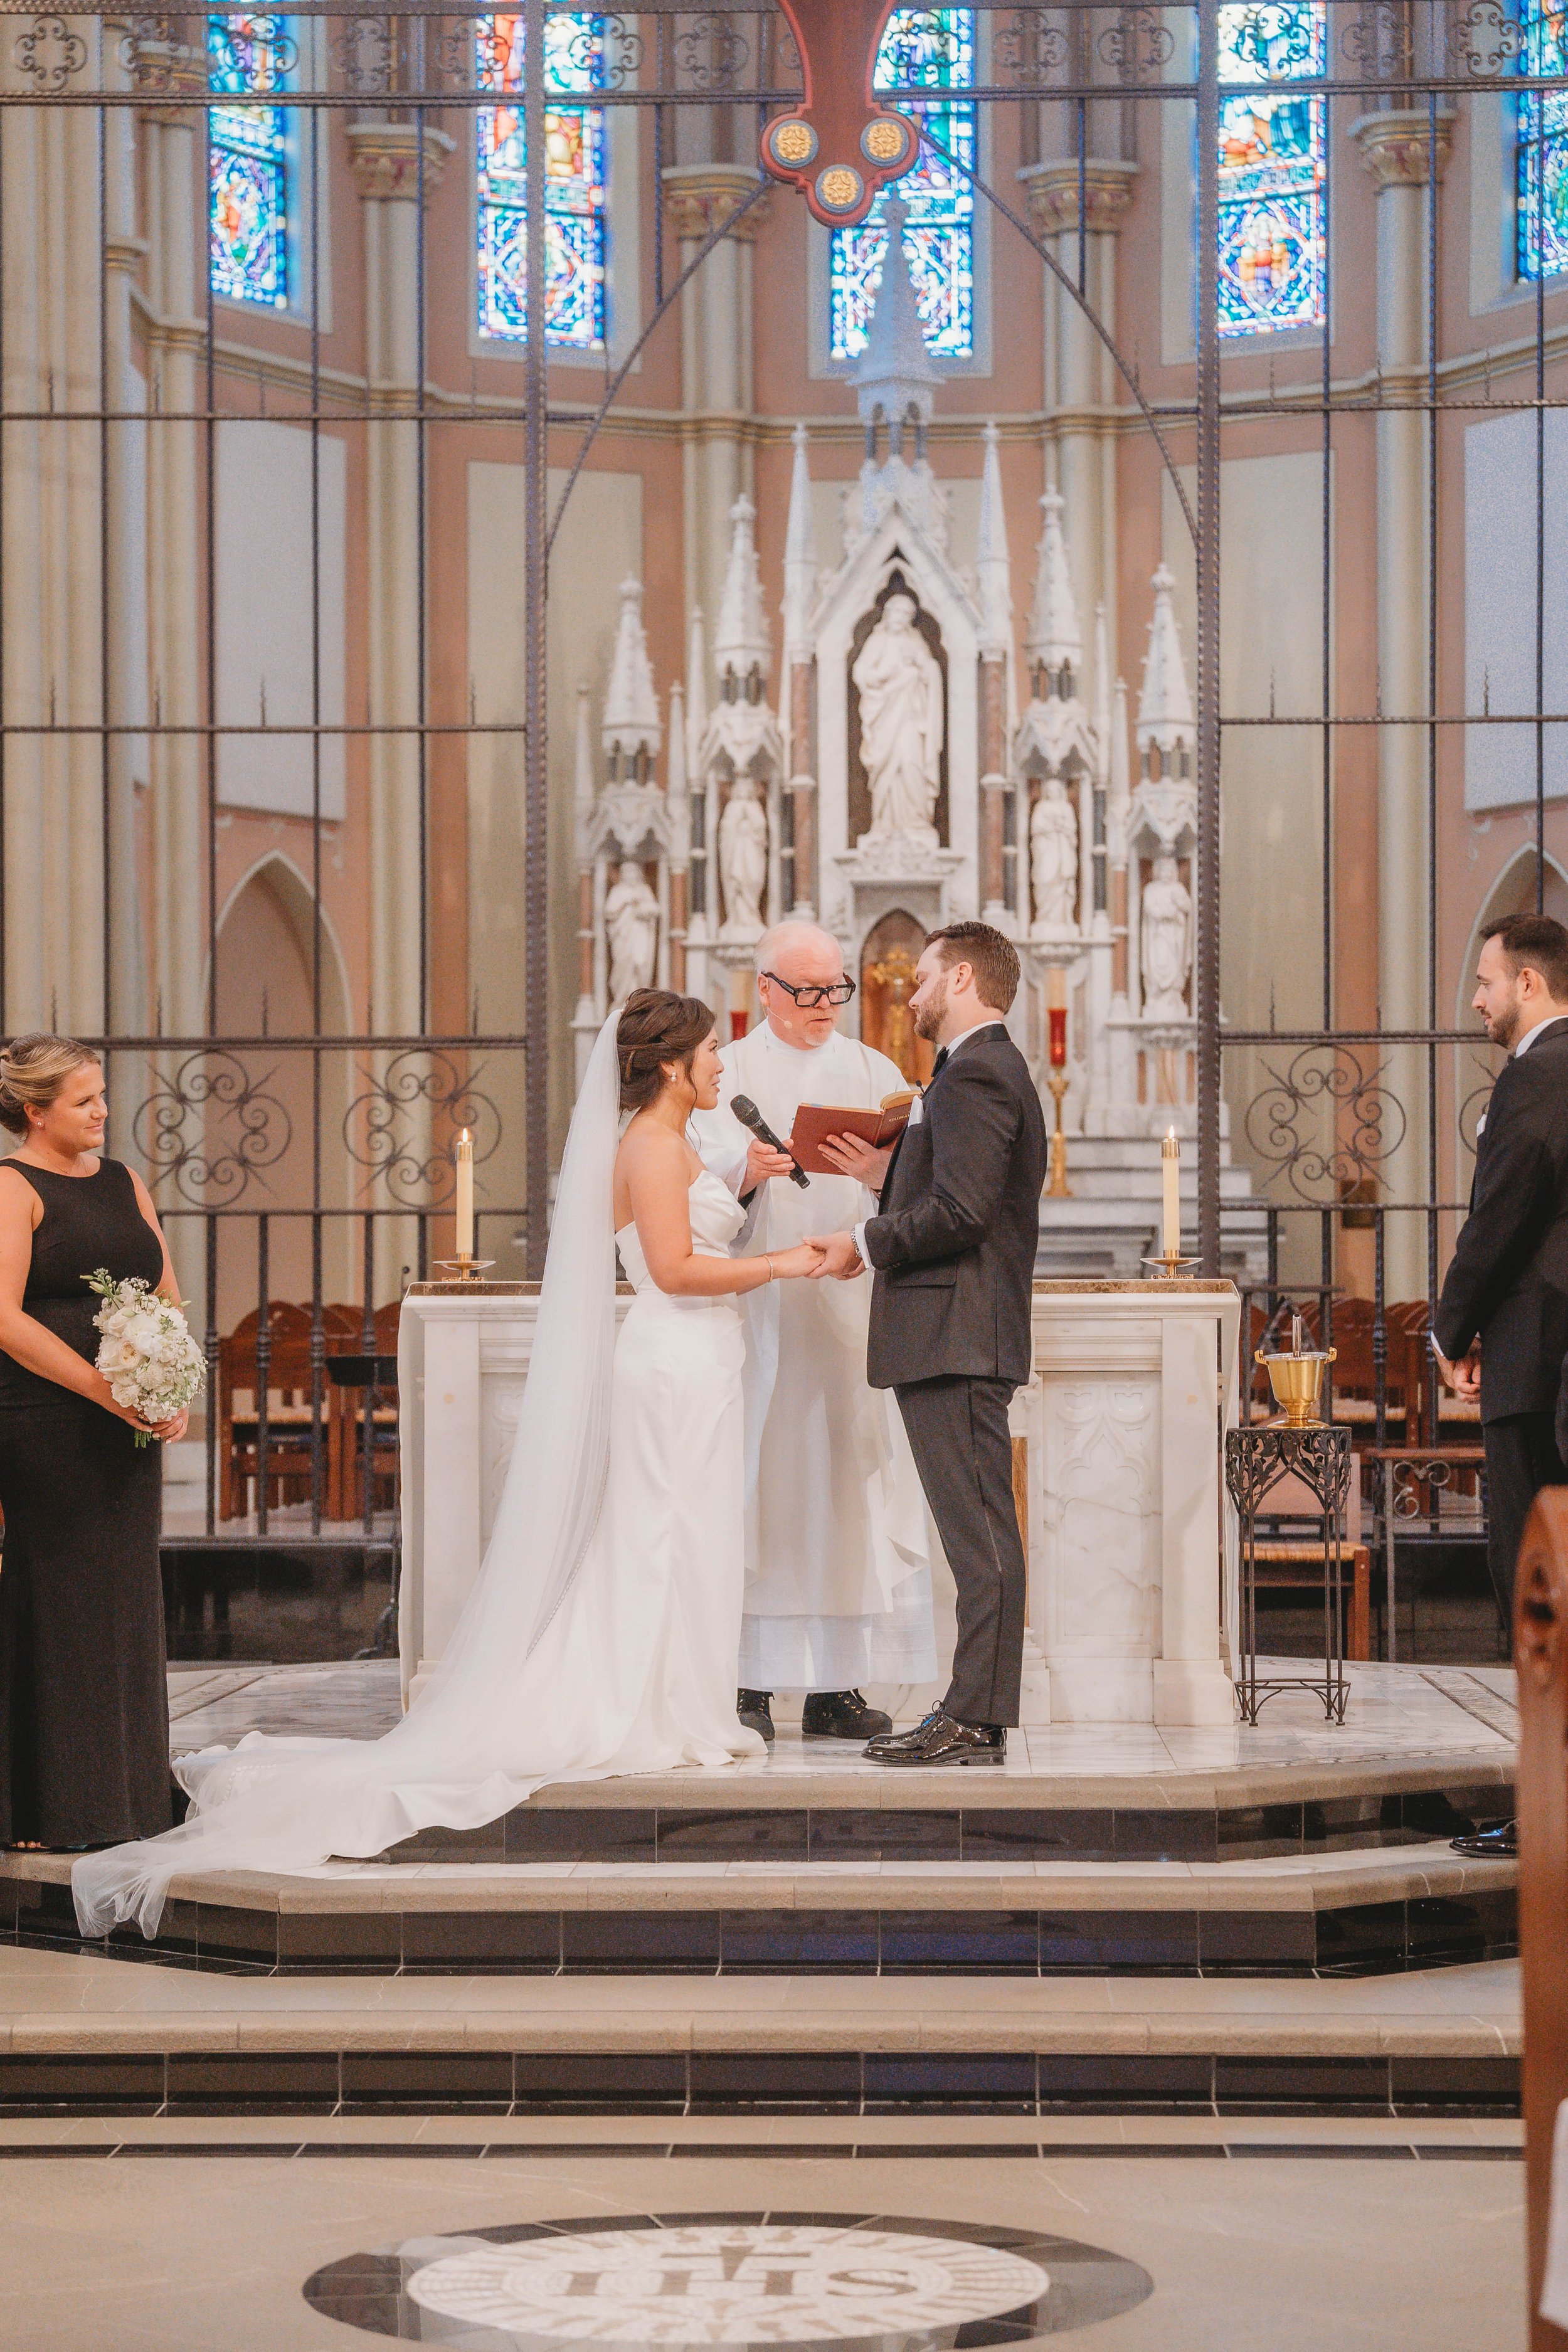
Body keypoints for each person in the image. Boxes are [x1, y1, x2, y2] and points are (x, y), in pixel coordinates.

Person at [72, 992, 824, 1938]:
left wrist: (747, 1199)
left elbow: (691, 1236)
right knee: (661, 1534)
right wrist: (790, 1261)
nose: (726, 1064)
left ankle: (684, 1702)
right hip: (675, 1363)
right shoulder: (649, 1145)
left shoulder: (674, 1141)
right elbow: (671, 1270)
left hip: (697, 1363)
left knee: (689, 1534)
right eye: (715, 1050)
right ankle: (658, 1709)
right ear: (672, 1064)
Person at [691, 922, 936, 1744]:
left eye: (835, 988)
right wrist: (743, 1174)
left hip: (850, 1313)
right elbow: (690, 1203)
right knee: (766, 1490)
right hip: (761, 1316)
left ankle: (836, 1686)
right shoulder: (726, 1077)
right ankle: (752, 1681)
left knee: (845, 1490)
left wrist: (885, 1175)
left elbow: (919, 1188)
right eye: (805, 990)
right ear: (764, 988)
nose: (825, 1004)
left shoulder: (874, 1072)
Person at [810, 921, 1048, 1766]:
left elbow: (963, 1214)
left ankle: (975, 1716)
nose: (907, 993)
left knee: (980, 1537)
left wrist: (864, 1242)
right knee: (973, 1533)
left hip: (959, 1335)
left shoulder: (977, 1073)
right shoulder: (971, 1074)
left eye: (924, 977)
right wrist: (887, 1179)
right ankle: (974, 1710)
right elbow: (955, 1192)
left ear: (964, 981)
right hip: (956, 1333)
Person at [0, 1036, 188, 1850]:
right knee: (63, 1601)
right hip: (48, 1424)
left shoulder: (125, 1182)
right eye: (85, 1100)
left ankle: (131, 1795)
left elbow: (168, 1295)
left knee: (126, 1601)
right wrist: (101, 1387)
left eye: (103, 1095)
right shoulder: (12, 1188)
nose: (104, 1111)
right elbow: (3, 1317)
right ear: (35, 1111)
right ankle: (53, 1805)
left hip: (127, 1430)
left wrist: (173, 1387)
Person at [1433, 913, 1568, 1860]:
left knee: (1536, 1596)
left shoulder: (1538, 1073)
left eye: (1486, 982)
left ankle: (1547, 1818)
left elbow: (1503, 1209)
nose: (1477, 1000)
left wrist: (1452, 1324)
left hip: (1537, 1367)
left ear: (1527, 982)